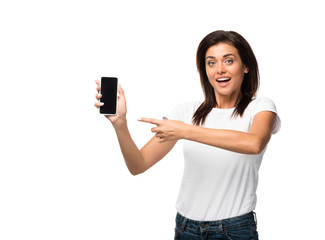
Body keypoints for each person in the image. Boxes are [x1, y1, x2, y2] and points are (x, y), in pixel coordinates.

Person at [94, 30, 280, 240]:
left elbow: (254, 143)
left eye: (229, 61)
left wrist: (185, 130)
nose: (220, 69)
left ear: (245, 66)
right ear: (205, 70)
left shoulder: (261, 107)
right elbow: (138, 165)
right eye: (211, 63)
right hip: (186, 229)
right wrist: (120, 124)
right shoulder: (186, 112)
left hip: (234, 230)